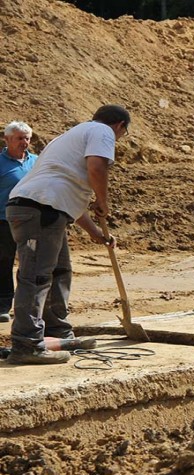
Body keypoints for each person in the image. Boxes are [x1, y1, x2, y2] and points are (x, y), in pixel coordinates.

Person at [5, 105, 130, 365]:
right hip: (38, 209)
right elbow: (97, 168)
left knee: (60, 270)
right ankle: (26, 343)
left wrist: (97, 233)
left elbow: (68, 196)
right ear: (119, 126)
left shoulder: (72, 136)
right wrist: (103, 201)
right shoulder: (101, 131)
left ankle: (56, 332)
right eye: (122, 134)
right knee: (37, 277)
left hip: (46, 208)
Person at [0, 121, 37, 322]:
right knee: (3, 262)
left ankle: (29, 306)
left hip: (31, 222)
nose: (24, 142)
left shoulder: (37, 162)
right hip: (4, 221)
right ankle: (3, 304)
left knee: (31, 263)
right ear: (7, 140)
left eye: (27, 138)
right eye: (19, 138)